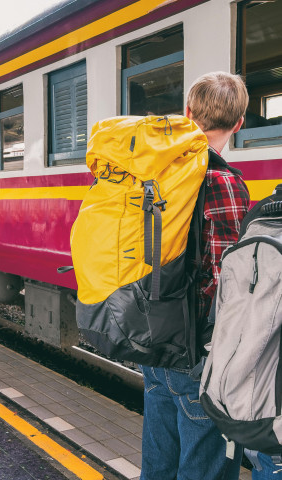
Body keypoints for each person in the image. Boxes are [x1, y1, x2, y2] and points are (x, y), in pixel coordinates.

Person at [140, 72, 251, 480]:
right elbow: (229, 280)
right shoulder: (222, 182)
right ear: (239, 124)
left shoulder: (157, 173)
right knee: (203, 467)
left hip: (155, 336)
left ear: (187, 113)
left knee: (158, 463)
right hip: (198, 348)